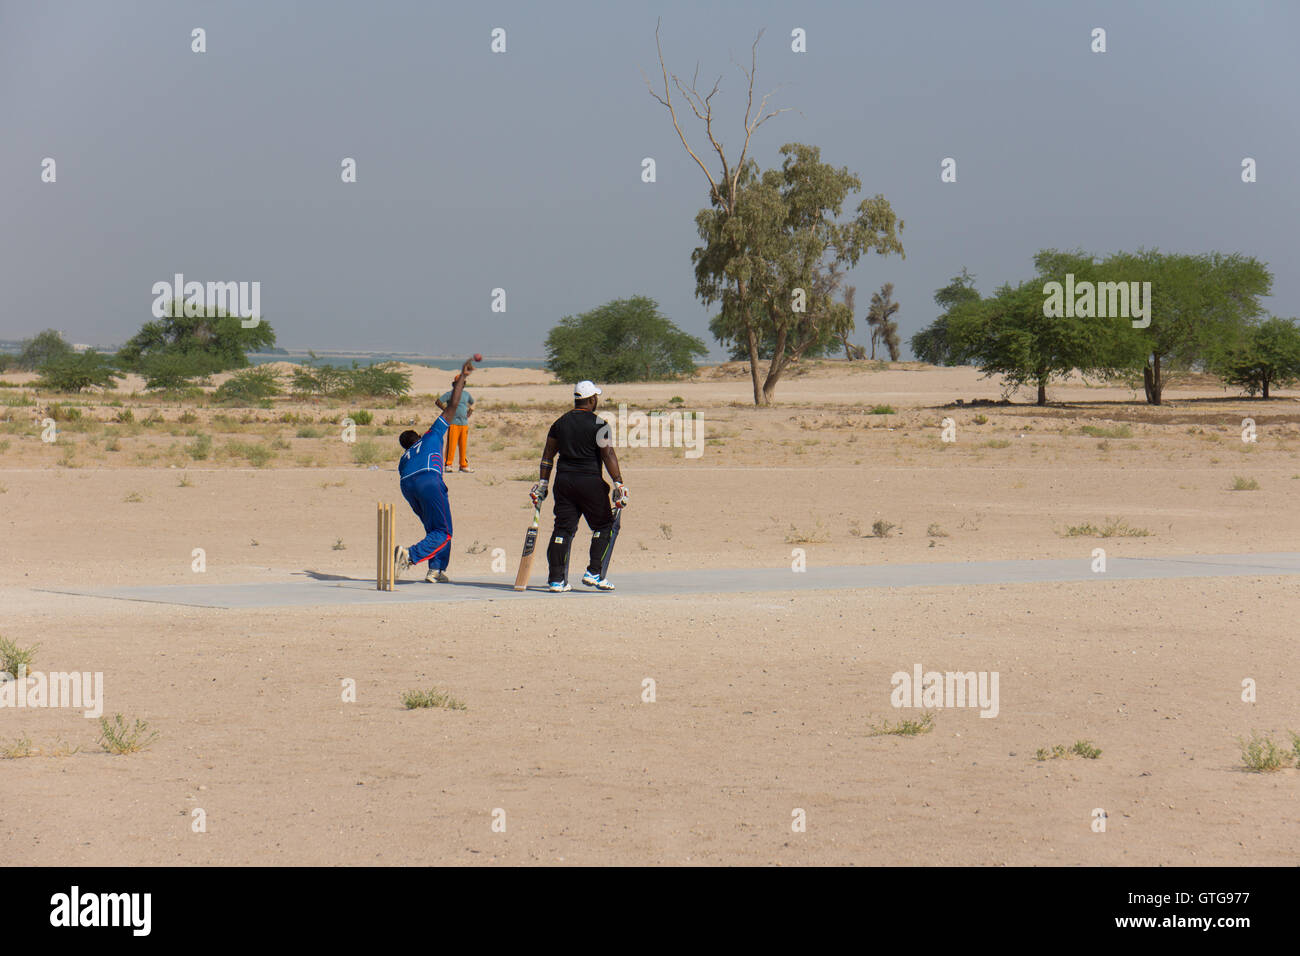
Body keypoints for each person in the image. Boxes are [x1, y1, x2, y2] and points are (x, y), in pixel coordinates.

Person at [530, 380, 628, 592]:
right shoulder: (599, 424)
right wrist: (618, 482)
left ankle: (556, 580)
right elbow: (608, 454)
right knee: (604, 526)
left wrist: (543, 483)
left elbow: (547, 456)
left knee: (562, 529)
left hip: (563, 482)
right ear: (592, 399)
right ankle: (594, 573)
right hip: (590, 482)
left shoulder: (559, 423)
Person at [393, 358, 474, 583]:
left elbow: (403, 475)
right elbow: (453, 405)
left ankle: (435, 570)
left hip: (407, 485)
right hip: (428, 479)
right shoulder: (432, 435)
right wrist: (462, 378)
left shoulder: (405, 457)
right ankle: (409, 556)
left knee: (435, 529)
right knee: (444, 531)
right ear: (418, 436)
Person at [435, 379, 475, 473]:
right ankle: (448, 464)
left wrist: (470, 412)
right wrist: (446, 410)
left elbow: (473, 403)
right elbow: (438, 401)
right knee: (451, 445)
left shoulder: (466, 394)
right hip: (453, 423)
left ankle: (463, 465)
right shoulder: (450, 394)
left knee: (463, 445)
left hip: (464, 424)